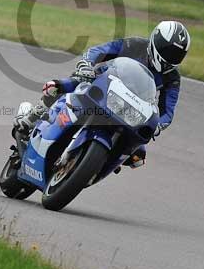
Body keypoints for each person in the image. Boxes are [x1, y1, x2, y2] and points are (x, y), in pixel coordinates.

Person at [12, 21, 191, 166]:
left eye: (178, 55)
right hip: (103, 86)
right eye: (169, 51)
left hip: (132, 110)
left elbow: (167, 111)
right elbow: (99, 51)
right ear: (156, 41)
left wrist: (158, 125)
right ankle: (31, 118)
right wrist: (86, 65)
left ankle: (96, 166)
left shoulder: (172, 78)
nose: (172, 58)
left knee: (138, 155)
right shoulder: (134, 44)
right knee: (61, 86)